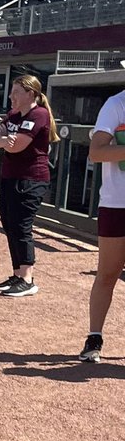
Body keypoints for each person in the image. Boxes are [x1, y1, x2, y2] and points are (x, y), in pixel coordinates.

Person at [0, 74, 58, 297]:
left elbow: (16, 146)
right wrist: (3, 139)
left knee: (21, 226)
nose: (11, 96)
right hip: (10, 178)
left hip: (31, 179)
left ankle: (27, 279)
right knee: (10, 225)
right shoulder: (14, 115)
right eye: (12, 92)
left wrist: (5, 139)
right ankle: (18, 274)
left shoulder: (39, 114)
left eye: (16, 92)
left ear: (31, 94)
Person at [77, 86, 125, 361]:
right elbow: (96, 152)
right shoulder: (116, 104)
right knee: (108, 273)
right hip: (117, 203)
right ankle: (94, 336)